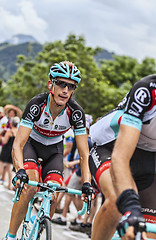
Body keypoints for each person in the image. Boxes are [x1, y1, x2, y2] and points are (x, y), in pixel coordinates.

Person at [4, 61, 94, 240]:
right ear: (50, 84)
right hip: (31, 145)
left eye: (71, 86)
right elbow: (18, 145)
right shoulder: (37, 104)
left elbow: (84, 154)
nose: (65, 90)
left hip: (54, 150)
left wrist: (87, 183)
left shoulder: (76, 113)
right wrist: (20, 170)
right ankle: (11, 236)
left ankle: (39, 234)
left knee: (53, 193)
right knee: (30, 186)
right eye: (61, 84)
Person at [89, 74, 156, 240]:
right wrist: (131, 206)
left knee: (152, 232)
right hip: (111, 147)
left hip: (148, 161)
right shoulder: (148, 90)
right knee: (116, 202)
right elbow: (120, 158)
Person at [0, 117, 20, 190]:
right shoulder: (18, 132)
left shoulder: (9, 131)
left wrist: (1, 137)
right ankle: (9, 184)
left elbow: (4, 141)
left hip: (6, 150)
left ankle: (1, 178)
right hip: (12, 151)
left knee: (1, 164)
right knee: (10, 168)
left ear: (11, 123)